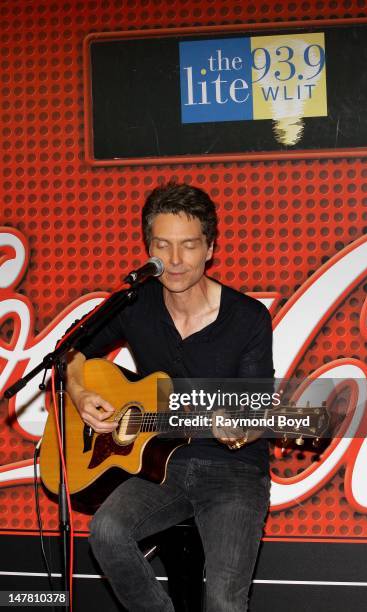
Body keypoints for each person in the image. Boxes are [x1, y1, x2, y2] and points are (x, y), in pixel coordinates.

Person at [66, 182, 274, 612]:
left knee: (222, 601)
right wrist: (81, 392)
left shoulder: (249, 316)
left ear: (210, 248)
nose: (176, 260)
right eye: (163, 245)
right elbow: (71, 352)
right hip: (160, 464)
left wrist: (243, 429)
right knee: (106, 531)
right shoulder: (134, 303)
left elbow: (255, 409)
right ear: (149, 248)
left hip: (232, 471)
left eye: (189, 246)